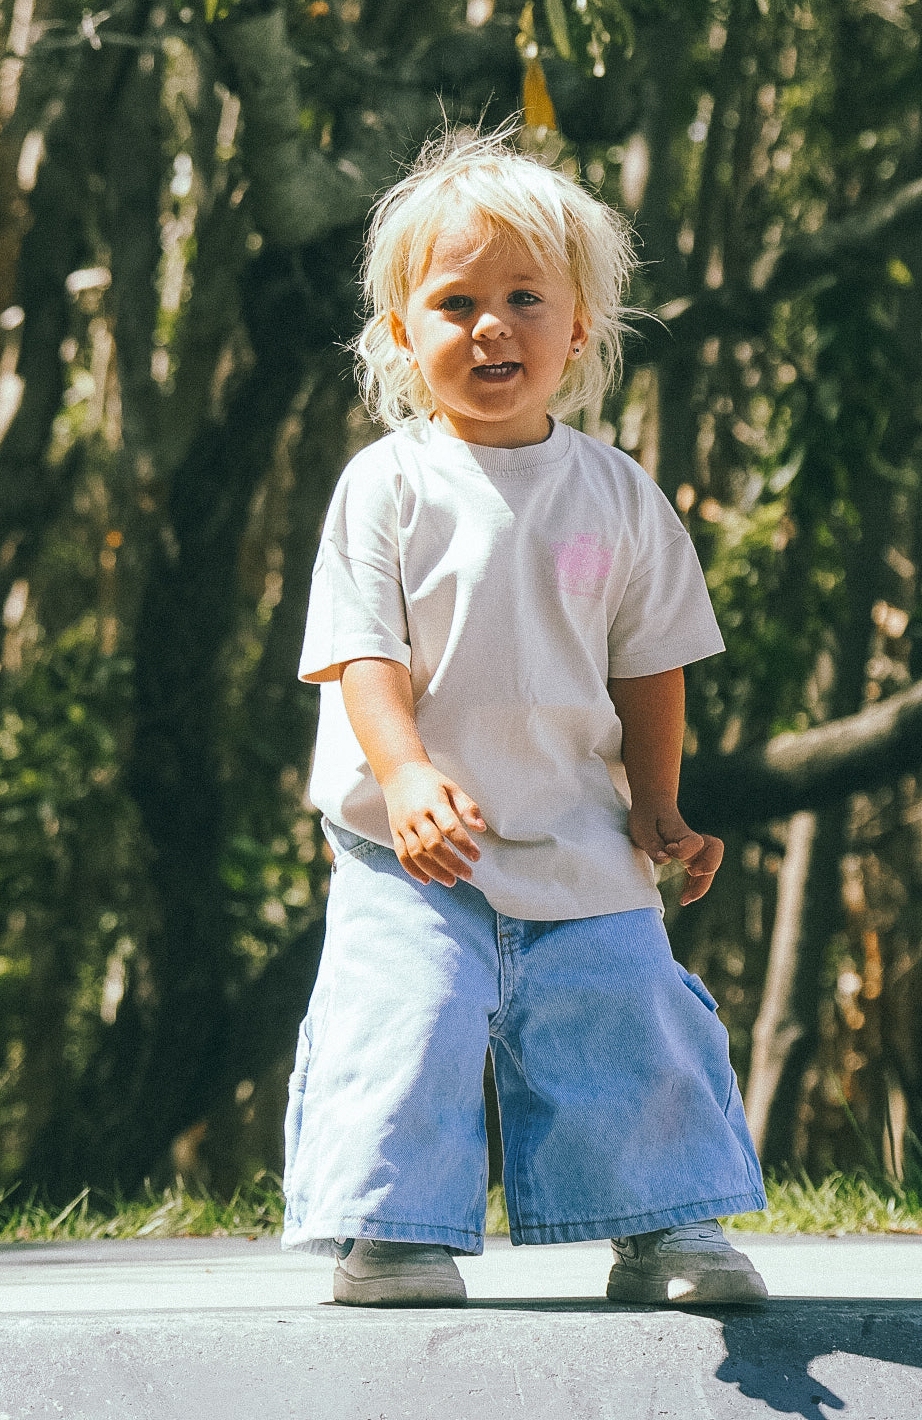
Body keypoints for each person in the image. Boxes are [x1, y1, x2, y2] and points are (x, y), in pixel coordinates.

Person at [283, 128, 768, 1309]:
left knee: (630, 1013)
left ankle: (666, 1225)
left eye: (524, 299)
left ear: (579, 329)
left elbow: (649, 663)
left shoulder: (616, 493)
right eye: (455, 303)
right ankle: (391, 1233)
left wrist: (656, 802)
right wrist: (406, 776)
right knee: (409, 1018)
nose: (490, 326)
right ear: (403, 334)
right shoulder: (387, 486)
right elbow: (362, 653)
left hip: (580, 832)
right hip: (414, 847)